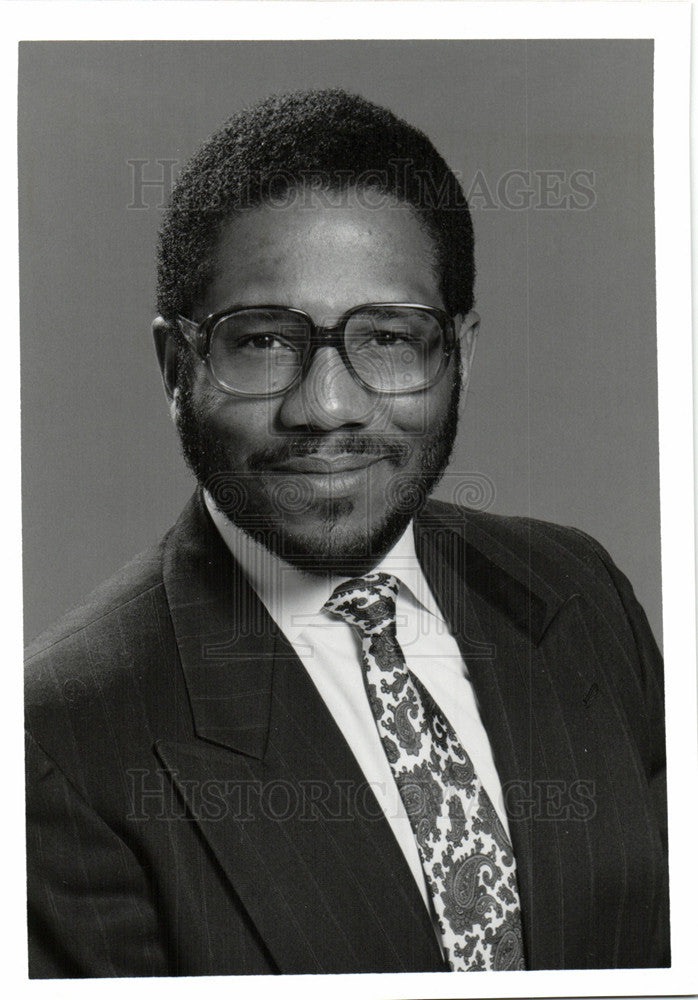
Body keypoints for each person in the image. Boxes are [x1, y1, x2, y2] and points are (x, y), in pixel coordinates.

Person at [25, 88, 669, 978]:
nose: (327, 406)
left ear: (460, 356)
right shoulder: (60, 742)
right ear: (178, 369)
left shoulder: (578, 585)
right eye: (261, 342)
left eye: (390, 338)